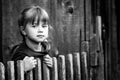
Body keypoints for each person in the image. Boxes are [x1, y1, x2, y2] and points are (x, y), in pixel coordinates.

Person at [11, 5, 58, 72]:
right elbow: (10, 74)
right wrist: (22, 69)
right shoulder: (20, 55)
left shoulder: (49, 50)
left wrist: (53, 66)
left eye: (44, 26)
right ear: (23, 30)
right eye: (34, 26)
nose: (40, 30)